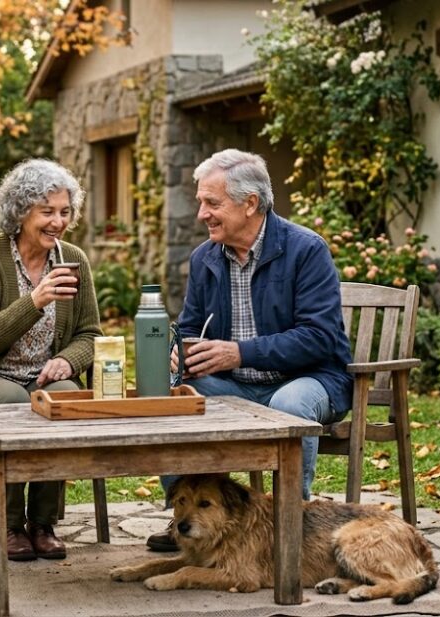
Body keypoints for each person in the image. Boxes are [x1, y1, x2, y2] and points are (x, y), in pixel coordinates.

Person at [148, 149, 352, 552]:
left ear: (250, 204)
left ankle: (292, 519)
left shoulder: (305, 250)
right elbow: (190, 327)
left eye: (212, 203)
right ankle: (186, 522)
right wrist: (182, 353)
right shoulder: (206, 257)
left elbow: (319, 337)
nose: (202, 213)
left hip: (309, 380)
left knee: (288, 403)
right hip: (236, 387)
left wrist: (240, 353)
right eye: (201, 202)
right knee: (170, 401)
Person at [0, 159, 102, 562]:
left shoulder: (72, 258)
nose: (57, 222)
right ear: (20, 211)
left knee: (66, 399)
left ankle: (42, 523)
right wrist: (34, 301)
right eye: (47, 212)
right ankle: (9, 523)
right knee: (13, 402)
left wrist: (67, 360)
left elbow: (90, 335)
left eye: (65, 212)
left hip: (42, 377)